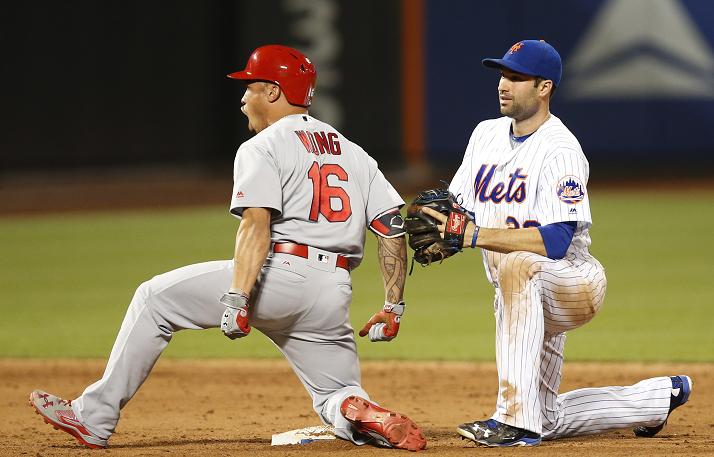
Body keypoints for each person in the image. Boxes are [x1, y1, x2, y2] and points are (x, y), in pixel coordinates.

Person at [29, 44, 426, 452]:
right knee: (335, 391)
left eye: (250, 87)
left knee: (154, 298)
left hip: (279, 279)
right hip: (333, 289)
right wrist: (393, 306)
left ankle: (93, 418)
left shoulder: (263, 146)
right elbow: (391, 227)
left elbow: (256, 224)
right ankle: (362, 412)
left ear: (273, 92)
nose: (242, 99)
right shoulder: (353, 151)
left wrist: (238, 298)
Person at [419, 39, 692, 447]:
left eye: (516, 77)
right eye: (502, 74)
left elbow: (557, 240)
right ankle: (653, 400)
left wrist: (474, 237)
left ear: (544, 88)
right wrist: (443, 231)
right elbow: (460, 208)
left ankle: (513, 421)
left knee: (519, 265)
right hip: (522, 298)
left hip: (572, 282)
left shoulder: (561, 149)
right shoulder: (485, 135)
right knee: (547, 416)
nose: (503, 85)